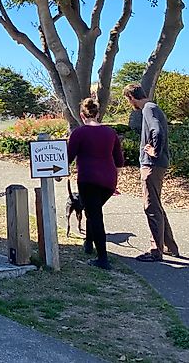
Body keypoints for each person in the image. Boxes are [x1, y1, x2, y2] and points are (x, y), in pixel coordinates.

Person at [123, 83, 180, 262]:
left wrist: (155, 150)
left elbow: (157, 130)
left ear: (131, 97)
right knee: (156, 205)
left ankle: (156, 250)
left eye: (127, 99)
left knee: (151, 207)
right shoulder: (152, 107)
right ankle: (170, 246)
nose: (129, 103)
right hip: (156, 165)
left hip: (152, 165)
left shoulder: (149, 108)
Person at [67, 97, 124, 270]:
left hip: (88, 179)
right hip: (108, 181)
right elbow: (119, 161)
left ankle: (103, 258)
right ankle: (88, 243)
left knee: (95, 215)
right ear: (98, 114)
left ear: (81, 115)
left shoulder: (78, 133)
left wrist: (59, 174)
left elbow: (68, 158)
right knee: (93, 211)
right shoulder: (110, 133)